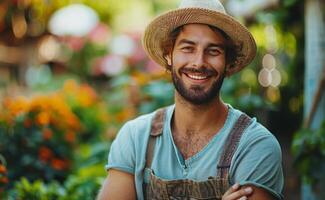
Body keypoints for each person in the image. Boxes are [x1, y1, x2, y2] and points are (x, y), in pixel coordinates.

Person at [98, 0, 284, 199]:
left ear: (228, 62)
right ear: (169, 55)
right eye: (188, 48)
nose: (198, 62)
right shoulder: (136, 138)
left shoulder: (254, 146)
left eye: (213, 51)